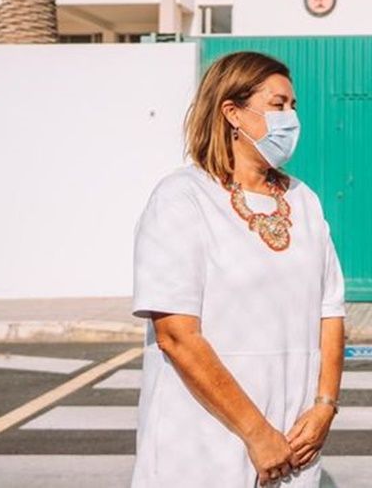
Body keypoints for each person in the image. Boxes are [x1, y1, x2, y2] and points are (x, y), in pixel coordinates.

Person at [130, 51, 346, 487]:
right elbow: (177, 335)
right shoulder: (181, 199)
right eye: (278, 105)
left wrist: (324, 406)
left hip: (292, 442)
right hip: (201, 442)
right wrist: (256, 432)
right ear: (232, 112)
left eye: (293, 107)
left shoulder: (304, 201)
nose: (291, 119)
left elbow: (331, 312)